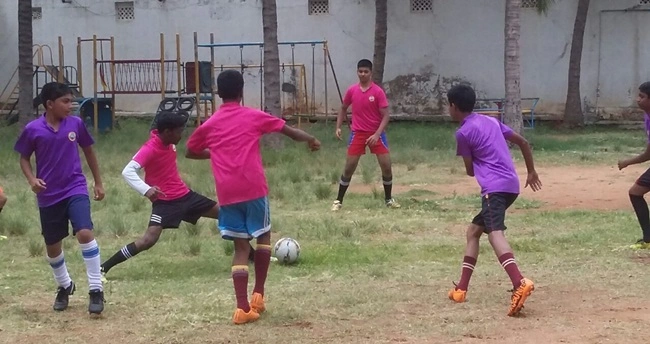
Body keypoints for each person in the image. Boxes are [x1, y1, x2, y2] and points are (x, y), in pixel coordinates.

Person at [186, 70, 320, 325]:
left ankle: (241, 308)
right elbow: (288, 131)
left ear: (218, 93)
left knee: (240, 248)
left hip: (227, 193)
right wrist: (311, 139)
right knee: (264, 236)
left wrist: (215, 153)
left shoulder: (210, 124)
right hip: (254, 189)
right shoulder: (252, 116)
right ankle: (258, 294)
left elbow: (190, 151)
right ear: (241, 91)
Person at [100, 111, 256, 277]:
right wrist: (146, 189)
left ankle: (253, 257)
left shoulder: (168, 142)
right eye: (179, 131)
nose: (182, 135)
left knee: (228, 216)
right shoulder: (150, 148)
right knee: (148, 240)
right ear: (167, 132)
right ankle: (103, 268)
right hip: (166, 203)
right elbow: (128, 171)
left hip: (186, 197)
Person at [446, 84, 542, 316]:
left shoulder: (463, 133)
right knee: (473, 232)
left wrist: (477, 161)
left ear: (453, 106)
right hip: (511, 186)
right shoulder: (490, 121)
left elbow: (470, 171)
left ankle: (520, 282)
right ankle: (461, 289)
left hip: (493, 189)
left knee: (495, 232)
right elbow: (523, 142)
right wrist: (531, 171)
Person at [14, 82, 105, 314]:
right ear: (49, 104)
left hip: (75, 188)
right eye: (65, 101)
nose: (71, 106)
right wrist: (32, 180)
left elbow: (89, 151)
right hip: (48, 195)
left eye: (71, 100)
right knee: (53, 246)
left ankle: (96, 289)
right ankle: (65, 285)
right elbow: (24, 158)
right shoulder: (33, 129)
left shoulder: (75, 124)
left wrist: (98, 181)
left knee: (84, 232)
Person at [332, 59, 400, 211]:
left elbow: (386, 116)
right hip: (358, 133)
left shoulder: (377, 92)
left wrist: (377, 134)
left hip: (376, 134)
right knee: (349, 167)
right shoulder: (352, 90)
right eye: (360, 71)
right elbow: (343, 108)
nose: (362, 74)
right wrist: (338, 127)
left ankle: (388, 199)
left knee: (386, 167)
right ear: (357, 72)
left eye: (365, 72)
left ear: (371, 73)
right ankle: (338, 200)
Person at [618, 81, 650, 249]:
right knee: (636, 193)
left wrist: (627, 162)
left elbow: (648, 154)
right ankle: (648, 238)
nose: (638, 99)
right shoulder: (647, 115)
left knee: (635, 193)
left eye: (642, 96)